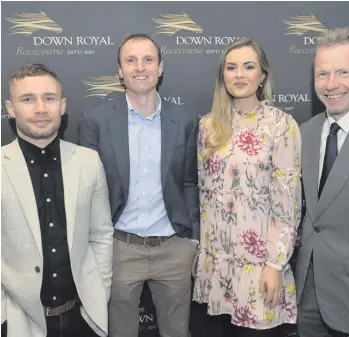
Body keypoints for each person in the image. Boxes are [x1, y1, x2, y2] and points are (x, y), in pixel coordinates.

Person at [78, 33, 200, 337]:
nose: (140, 67)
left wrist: (193, 240)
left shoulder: (184, 120)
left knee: (177, 331)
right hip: (120, 248)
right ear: (120, 71)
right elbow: (87, 192)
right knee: (119, 332)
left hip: (174, 248)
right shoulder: (96, 120)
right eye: (130, 60)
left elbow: (190, 182)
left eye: (148, 59)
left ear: (160, 68)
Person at [192, 38, 302, 337]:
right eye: (231, 67)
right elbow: (205, 196)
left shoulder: (281, 125)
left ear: (262, 75)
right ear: (222, 76)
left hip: (259, 267)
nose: (239, 74)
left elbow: (287, 202)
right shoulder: (207, 126)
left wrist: (275, 265)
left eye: (248, 66)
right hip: (216, 267)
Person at [1, 63, 113, 337]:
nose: (40, 108)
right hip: (18, 321)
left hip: (82, 318)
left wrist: (99, 297)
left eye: (49, 98)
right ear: (11, 108)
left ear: (62, 105)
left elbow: (100, 235)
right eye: (28, 99)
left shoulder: (88, 161)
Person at [296, 27, 349, 337]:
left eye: (344, 72)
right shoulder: (306, 132)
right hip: (309, 295)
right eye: (323, 74)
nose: (331, 85)